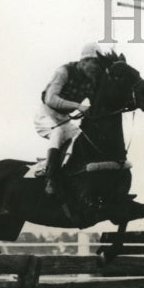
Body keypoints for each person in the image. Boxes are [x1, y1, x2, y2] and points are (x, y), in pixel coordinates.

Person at [35, 43, 103, 195]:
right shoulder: (64, 71)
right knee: (58, 132)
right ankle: (50, 178)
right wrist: (78, 106)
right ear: (84, 61)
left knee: (82, 138)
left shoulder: (92, 79)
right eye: (95, 63)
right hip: (46, 115)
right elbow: (50, 99)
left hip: (64, 118)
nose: (97, 68)